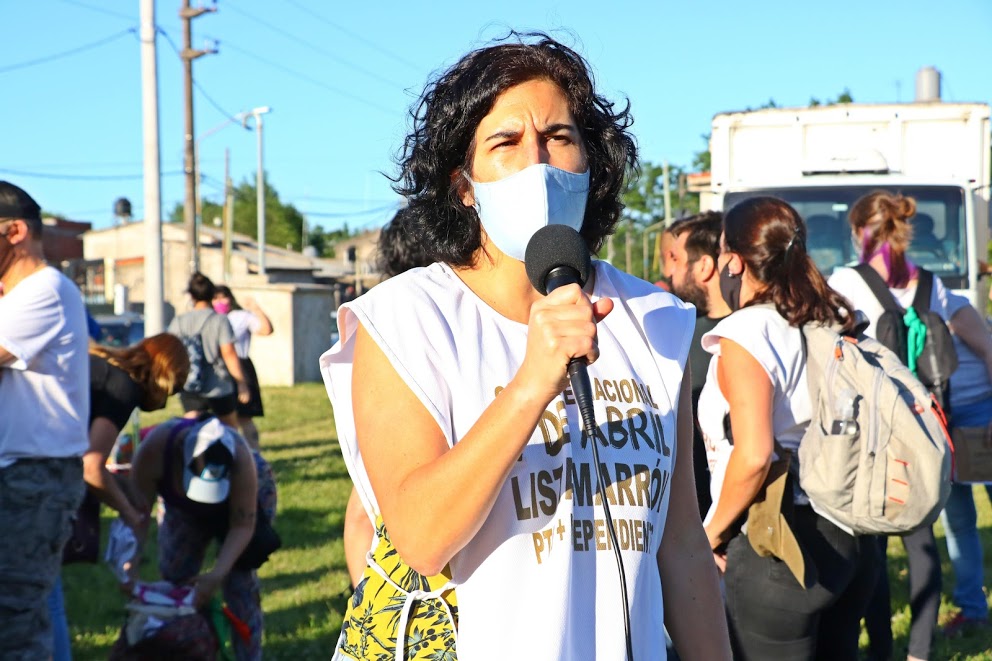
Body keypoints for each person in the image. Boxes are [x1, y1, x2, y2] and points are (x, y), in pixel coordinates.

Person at [321, 32, 730, 660]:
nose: (538, 161)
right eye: (505, 143)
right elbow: (422, 539)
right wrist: (532, 384)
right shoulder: (405, 321)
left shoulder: (658, 322)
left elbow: (679, 545)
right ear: (463, 182)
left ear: (591, 165)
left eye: (560, 138)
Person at [698, 196, 880, 659]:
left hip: (775, 540)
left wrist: (708, 536)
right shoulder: (828, 318)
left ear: (734, 261)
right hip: (847, 531)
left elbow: (755, 454)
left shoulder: (748, 332)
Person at [826, 191, 983, 661]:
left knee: (868, 545)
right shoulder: (930, 284)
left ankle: (875, 648)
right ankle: (918, 651)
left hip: (874, 428)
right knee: (922, 540)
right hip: (927, 424)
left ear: (858, 232)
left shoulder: (846, 281)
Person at [0, 181, 89, 660]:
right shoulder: (15, 297)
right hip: (22, 474)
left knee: (12, 622)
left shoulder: (45, 289)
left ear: (14, 231)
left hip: (33, 478)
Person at [129, 415, 275, 661]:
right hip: (181, 509)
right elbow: (137, 514)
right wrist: (129, 562)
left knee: (240, 582)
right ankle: (187, 648)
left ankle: (248, 656)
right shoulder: (156, 449)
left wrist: (217, 574)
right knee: (176, 576)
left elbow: (242, 525)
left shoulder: (242, 461)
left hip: (242, 501)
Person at [667, 211, 731, 517]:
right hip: (692, 518)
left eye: (677, 260)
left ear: (704, 266)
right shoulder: (679, 332)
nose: (670, 272)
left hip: (728, 523)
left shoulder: (743, 337)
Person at [938, 292, 992, 636]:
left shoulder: (949, 302)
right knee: (957, 521)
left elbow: (989, 348)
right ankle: (972, 609)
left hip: (981, 416)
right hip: (943, 422)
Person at [169, 272, 250, 428]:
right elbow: (229, 353)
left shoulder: (179, 321)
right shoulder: (220, 320)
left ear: (191, 296)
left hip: (190, 383)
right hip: (218, 385)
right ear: (212, 295)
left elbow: (171, 350)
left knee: (192, 428)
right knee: (229, 430)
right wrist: (241, 383)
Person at [212, 285, 273, 449]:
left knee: (244, 416)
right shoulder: (211, 319)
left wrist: (256, 309)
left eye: (223, 297)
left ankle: (253, 452)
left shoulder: (241, 317)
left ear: (230, 298)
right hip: (219, 369)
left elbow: (266, 330)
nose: (220, 302)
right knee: (221, 416)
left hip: (241, 366)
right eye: (215, 298)